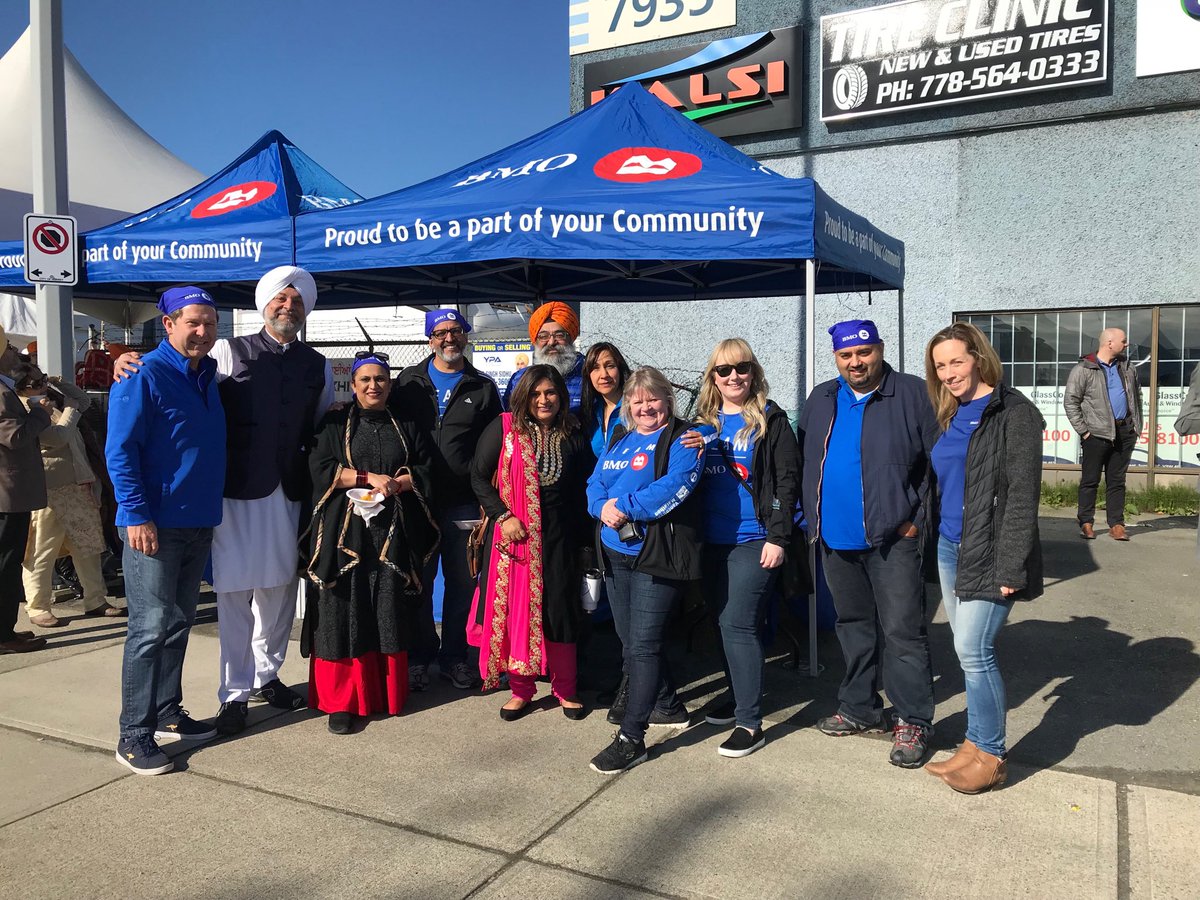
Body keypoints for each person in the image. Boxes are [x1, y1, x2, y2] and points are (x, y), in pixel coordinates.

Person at [798, 319, 939, 769]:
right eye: (846, 355)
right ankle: (860, 707)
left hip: (892, 538)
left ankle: (913, 719)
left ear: (879, 349)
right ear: (836, 358)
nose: (856, 362)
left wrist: (916, 521)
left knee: (902, 632)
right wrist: (808, 516)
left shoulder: (913, 394)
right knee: (853, 625)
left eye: (864, 352)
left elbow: (939, 465)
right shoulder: (822, 397)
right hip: (835, 539)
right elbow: (804, 458)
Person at [106, 286, 226, 774]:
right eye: (193, 322)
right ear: (169, 324)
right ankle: (134, 734)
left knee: (178, 623)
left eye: (210, 323)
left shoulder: (208, 374)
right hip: (153, 524)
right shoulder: (142, 373)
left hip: (197, 519)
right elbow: (121, 450)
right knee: (149, 629)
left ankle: (166, 710)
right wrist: (136, 514)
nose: (202, 331)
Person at [924, 322, 1044, 793]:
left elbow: (1022, 498)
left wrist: (1012, 565)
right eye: (940, 365)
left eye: (956, 361)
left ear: (978, 357)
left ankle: (991, 755)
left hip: (991, 550)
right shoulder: (951, 412)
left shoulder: (1015, 413)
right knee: (964, 651)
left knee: (976, 651)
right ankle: (972, 746)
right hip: (950, 546)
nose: (949, 373)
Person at [303, 353, 438, 734]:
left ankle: (385, 694)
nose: (373, 386)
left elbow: (426, 469)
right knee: (341, 608)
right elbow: (320, 468)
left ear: (390, 384)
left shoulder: (405, 424)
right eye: (365, 379)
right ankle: (342, 702)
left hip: (390, 535)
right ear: (353, 385)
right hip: (344, 535)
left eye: (380, 379)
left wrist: (397, 484)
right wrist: (368, 478)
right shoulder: (335, 422)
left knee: (386, 608)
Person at [585, 367, 712, 774]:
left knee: (643, 645)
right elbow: (594, 482)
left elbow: (675, 486)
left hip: (656, 555)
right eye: (637, 400)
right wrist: (600, 507)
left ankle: (631, 738)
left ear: (668, 401)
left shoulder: (684, 438)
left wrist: (622, 507)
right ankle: (668, 706)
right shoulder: (621, 438)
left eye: (653, 399)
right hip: (614, 552)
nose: (645, 407)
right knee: (631, 640)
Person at [467, 364, 592, 720]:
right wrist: (503, 516)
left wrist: (584, 544)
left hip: (560, 538)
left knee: (559, 611)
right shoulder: (505, 427)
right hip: (515, 538)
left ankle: (565, 689)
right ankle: (521, 690)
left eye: (550, 392)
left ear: (561, 396)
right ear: (523, 396)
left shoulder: (573, 432)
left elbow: (584, 487)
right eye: (535, 393)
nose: (543, 399)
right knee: (517, 611)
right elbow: (478, 477)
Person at [693, 339, 800, 758]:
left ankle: (750, 722)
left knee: (738, 624)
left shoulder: (771, 420)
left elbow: (787, 482)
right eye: (724, 370)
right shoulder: (702, 425)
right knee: (722, 623)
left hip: (754, 538)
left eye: (742, 367)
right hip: (710, 540)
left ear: (753, 372)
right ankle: (738, 694)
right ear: (713, 377)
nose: (734, 376)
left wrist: (778, 537)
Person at [392, 308, 501, 692]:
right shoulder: (408, 382)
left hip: (464, 504)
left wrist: (490, 501)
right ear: (430, 339)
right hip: (416, 503)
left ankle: (454, 658)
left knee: (461, 585)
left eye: (456, 331)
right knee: (418, 584)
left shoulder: (482, 386)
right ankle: (420, 657)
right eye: (441, 333)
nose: (449, 338)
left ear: (466, 336)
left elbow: (496, 447)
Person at [12, 363, 123, 627]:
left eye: (42, 378)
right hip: (49, 490)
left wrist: (58, 382)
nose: (42, 385)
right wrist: (70, 409)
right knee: (41, 550)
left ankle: (95, 599)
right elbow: (57, 437)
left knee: (88, 546)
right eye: (36, 383)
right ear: (21, 388)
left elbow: (83, 400)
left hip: (78, 484)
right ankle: (38, 606)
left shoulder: (51, 400)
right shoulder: (23, 410)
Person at [0, 325, 52, 654]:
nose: (14, 353)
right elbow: (14, 437)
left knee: (7, 564)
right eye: (8, 348)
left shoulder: (6, 388)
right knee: (5, 566)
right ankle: (3, 635)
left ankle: (6, 628)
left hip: (10, 493)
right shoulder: (2, 394)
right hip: (7, 495)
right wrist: (40, 413)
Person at [1064, 328, 1143, 542]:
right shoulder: (1084, 369)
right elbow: (1071, 401)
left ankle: (1116, 525)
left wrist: (1136, 426)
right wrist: (1084, 431)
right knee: (1090, 480)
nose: (1126, 344)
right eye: (1123, 341)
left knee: (1117, 481)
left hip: (1125, 432)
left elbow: (1137, 396)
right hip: (1096, 434)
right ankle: (1086, 522)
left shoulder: (1127, 368)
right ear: (1109, 343)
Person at [504, 301, 584, 413]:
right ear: (535, 341)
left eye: (559, 335)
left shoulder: (590, 374)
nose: (551, 342)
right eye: (543, 336)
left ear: (571, 338)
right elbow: (509, 418)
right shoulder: (519, 379)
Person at [580, 341, 631, 458]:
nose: (604, 375)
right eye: (595, 368)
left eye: (610, 366)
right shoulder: (592, 413)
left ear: (620, 369)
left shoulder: (637, 407)